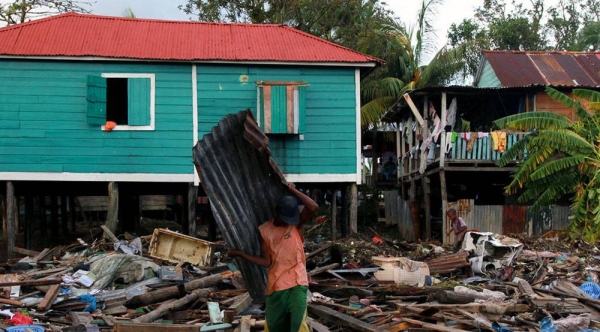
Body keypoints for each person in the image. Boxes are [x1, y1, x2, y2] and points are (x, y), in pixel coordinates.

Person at [227, 183, 318, 332]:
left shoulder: (297, 224)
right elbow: (266, 261)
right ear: (277, 213)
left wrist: (293, 190)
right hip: (276, 286)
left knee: (299, 326)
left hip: (298, 283)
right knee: (274, 327)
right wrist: (239, 253)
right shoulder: (265, 230)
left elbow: (313, 207)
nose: (288, 222)